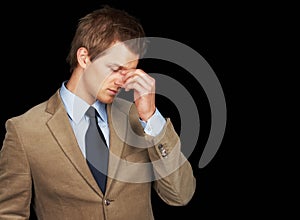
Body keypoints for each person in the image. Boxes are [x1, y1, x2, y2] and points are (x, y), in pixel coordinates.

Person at [0, 5, 196, 220]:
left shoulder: (138, 118)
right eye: (115, 69)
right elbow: (10, 213)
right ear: (84, 58)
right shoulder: (24, 130)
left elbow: (180, 195)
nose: (123, 81)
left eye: (129, 72)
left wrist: (151, 117)